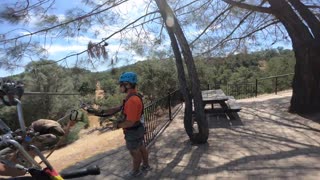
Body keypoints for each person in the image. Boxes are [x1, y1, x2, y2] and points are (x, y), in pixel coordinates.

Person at [84, 72, 151, 177]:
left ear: (127, 85)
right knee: (141, 147)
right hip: (137, 129)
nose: (120, 87)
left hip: (133, 131)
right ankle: (146, 165)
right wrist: (100, 112)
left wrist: (117, 125)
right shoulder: (132, 96)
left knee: (135, 152)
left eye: (121, 84)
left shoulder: (132, 100)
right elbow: (119, 108)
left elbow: (130, 122)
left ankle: (136, 172)